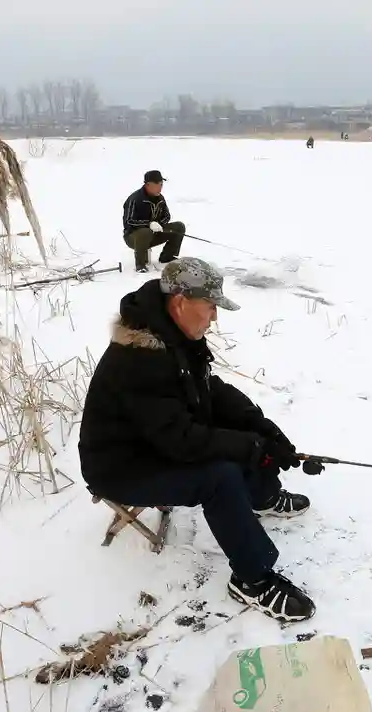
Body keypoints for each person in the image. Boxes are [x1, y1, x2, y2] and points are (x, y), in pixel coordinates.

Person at [78, 257, 318, 622]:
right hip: (121, 466)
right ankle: (252, 580)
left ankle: (263, 497)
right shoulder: (140, 358)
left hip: (154, 442)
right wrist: (250, 449)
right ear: (180, 302)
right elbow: (182, 442)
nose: (214, 317)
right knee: (219, 477)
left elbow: (210, 391)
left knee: (241, 438)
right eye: (210, 307)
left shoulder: (173, 334)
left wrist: (264, 431)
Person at [122, 170, 186, 273]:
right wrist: (149, 224)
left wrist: (160, 224)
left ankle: (167, 257)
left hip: (155, 233)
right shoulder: (135, 199)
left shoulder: (160, 199)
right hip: (133, 237)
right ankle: (140, 264)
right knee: (145, 232)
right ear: (148, 184)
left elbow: (167, 216)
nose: (160, 187)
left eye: (161, 184)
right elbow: (129, 221)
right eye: (157, 184)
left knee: (179, 227)